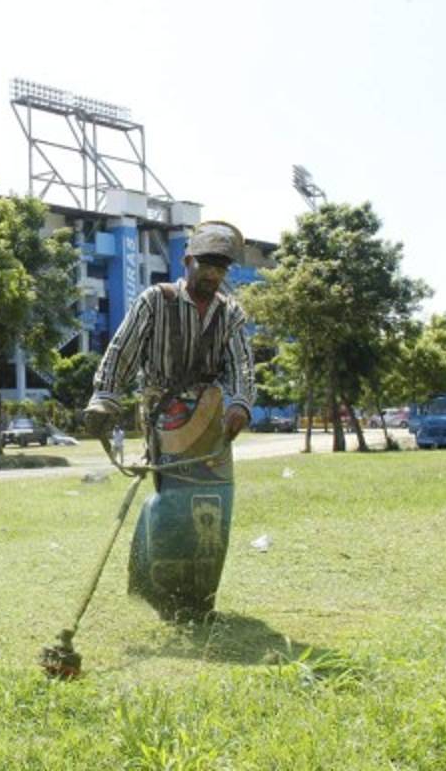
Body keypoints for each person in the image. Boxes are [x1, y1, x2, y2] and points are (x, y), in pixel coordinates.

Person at [84, 220, 255, 621]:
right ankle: (167, 594)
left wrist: (241, 404)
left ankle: (200, 597)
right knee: (177, 499)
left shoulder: (230, 314)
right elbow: (120, 352)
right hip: (166, 411)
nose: (213, 273)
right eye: (207, 264)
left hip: (212, 416)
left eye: (221, 267)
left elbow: (242, 367)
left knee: (215, 502)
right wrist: (104, 399)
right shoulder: (154, 300)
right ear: (188, 260)